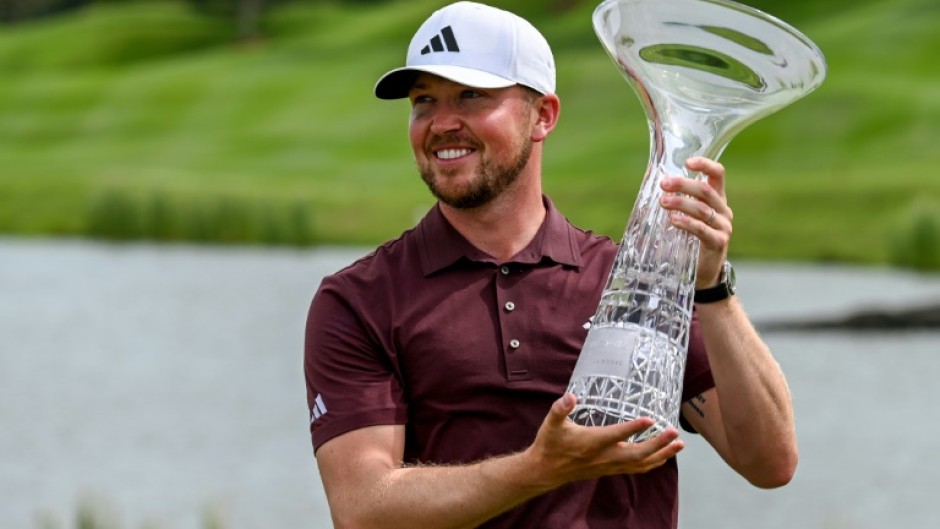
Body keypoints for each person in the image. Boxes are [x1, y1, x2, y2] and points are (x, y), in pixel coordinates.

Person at [304, 2, 797, 528]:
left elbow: (768, 461)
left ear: (543, 115)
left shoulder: (630, 285)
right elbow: (363, 508)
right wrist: (539, 469)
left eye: (471, 96)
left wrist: (711, 288)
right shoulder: (360, 300)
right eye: (424, 101)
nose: (442, 123)